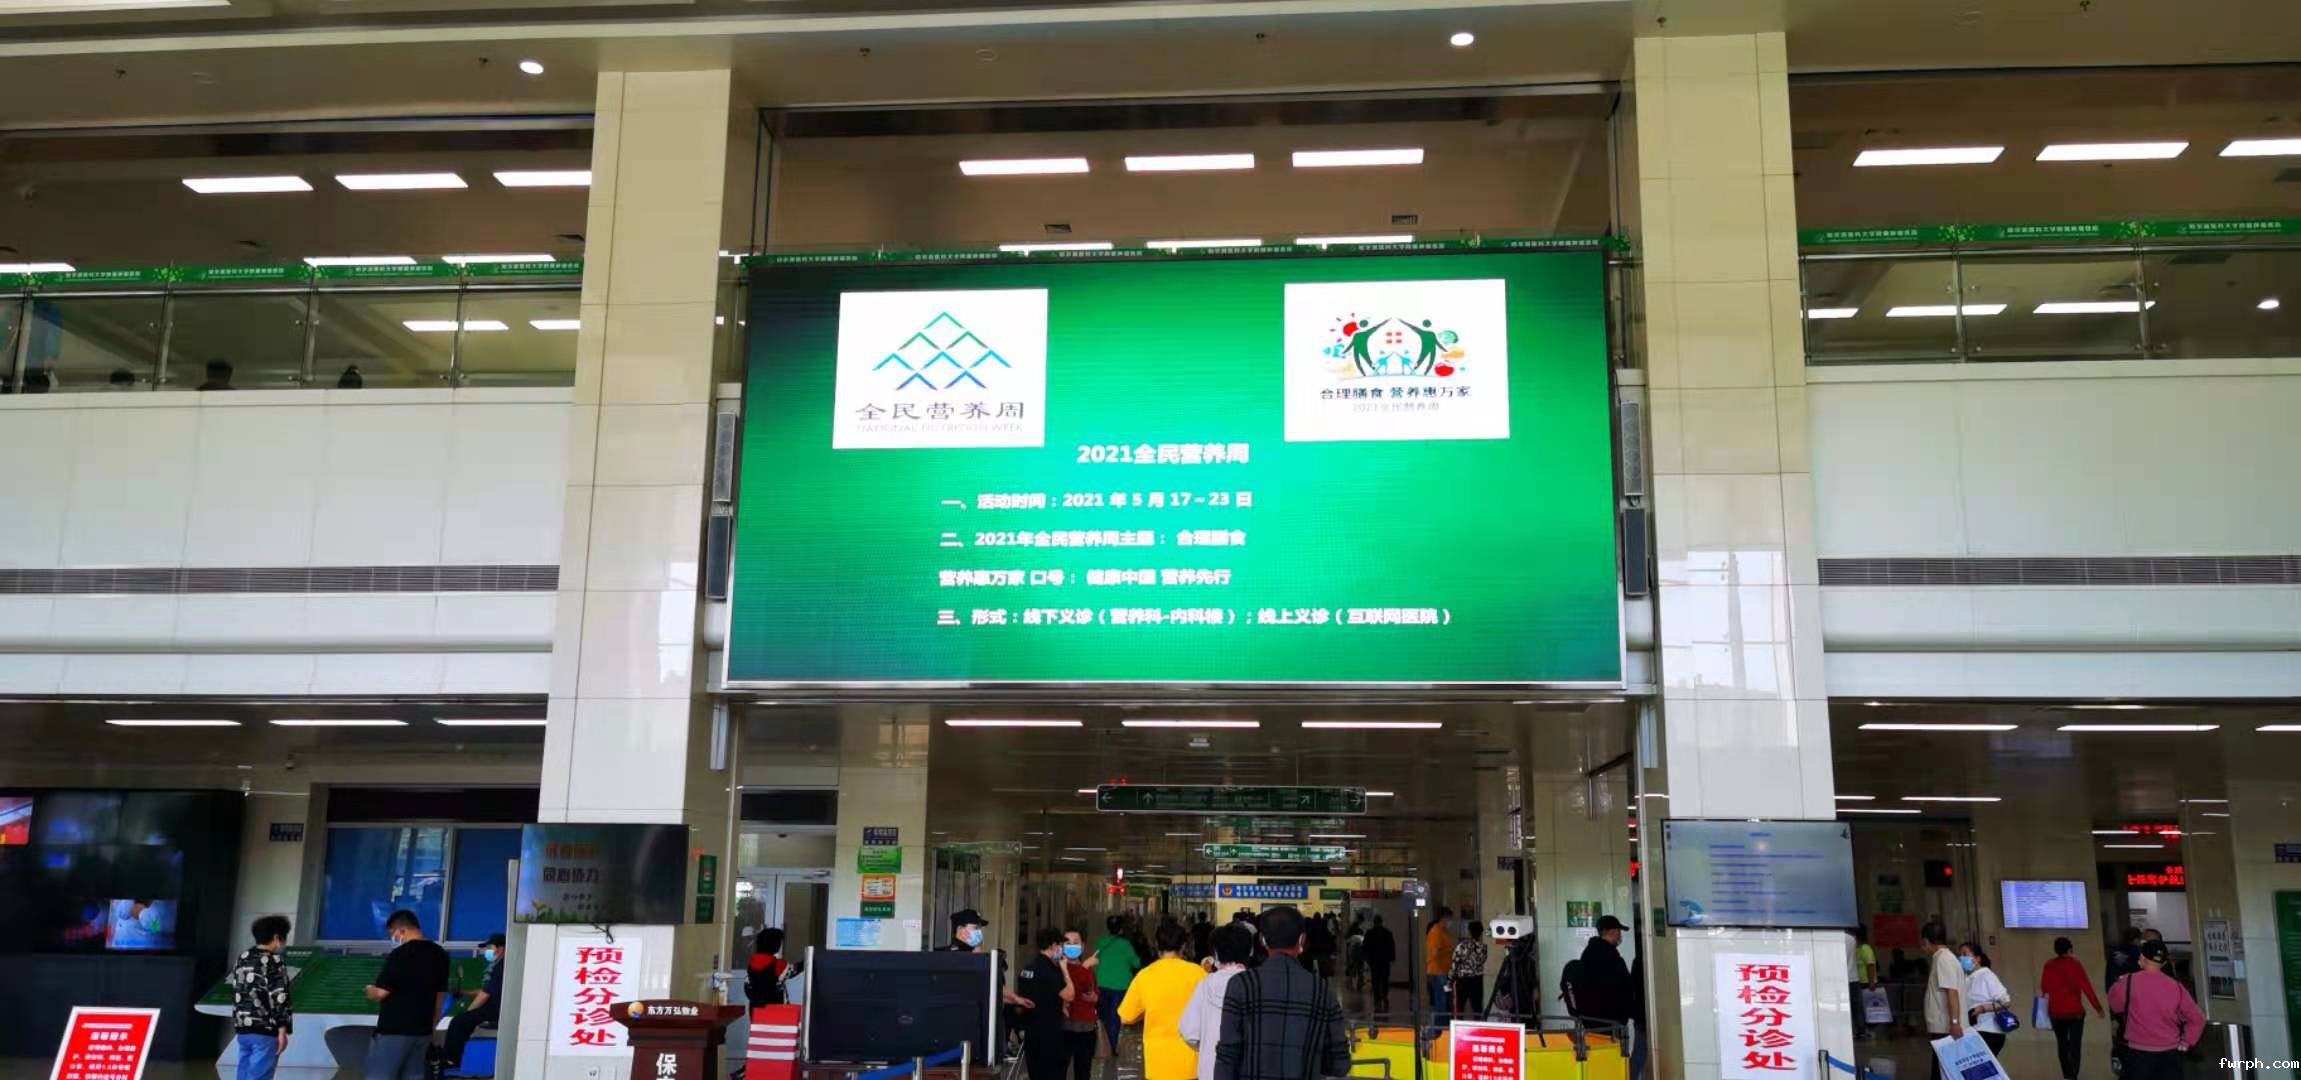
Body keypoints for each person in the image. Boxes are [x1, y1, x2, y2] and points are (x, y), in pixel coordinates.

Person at [1213, 907, 1350, 1080]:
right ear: (1302, 940)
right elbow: (1340, 1065)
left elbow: (1227, 1056)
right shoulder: (1322, 991)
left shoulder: (1241, 985)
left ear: (1262, 940)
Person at [362, 909, 450, 1080]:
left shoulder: (399, 954)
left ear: (402, 930)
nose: (393, 938)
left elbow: (381, 993)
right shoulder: (441, 954)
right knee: (414, 1075)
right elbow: (440, 994)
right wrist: (432, 1025)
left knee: (380, 1075)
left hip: (394, 1030)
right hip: (423, 1030)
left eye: (392, 934)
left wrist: (369, 990)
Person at [1120, 921, 1209, 1080]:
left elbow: (1126, 1018)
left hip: (1157, 1063)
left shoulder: (1145, 975)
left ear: (1156, 945)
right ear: (1183, 946)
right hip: (1190, 1062)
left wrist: (1147, 1012)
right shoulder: (1198, 974)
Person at [2109, 940, 2204, 1080]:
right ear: (2164, 963)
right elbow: (2197, 1018)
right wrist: (2186, 1041)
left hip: (2138, 1055)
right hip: (2170, 1056)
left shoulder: (2127, 982)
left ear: (2141, 958)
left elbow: (2115, 1005)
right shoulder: (2176, 987)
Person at [1180, 923, 1255, 1080]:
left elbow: (1188, 1031)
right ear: (1250, 951)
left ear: (1215, 953)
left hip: (1210, 1071)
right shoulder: (1255, 985)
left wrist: (1207, 1046)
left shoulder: (1205, 985)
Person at [229, 914, 294, 1080]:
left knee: (244, 1072)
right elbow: (279, 996)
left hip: (243, 1027)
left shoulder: (243, 957)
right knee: (260, 1075)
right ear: (276, 937)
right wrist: (282, 1029)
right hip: (265, 1028)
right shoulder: (274, 960)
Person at [2040, 936, 2106, 1080]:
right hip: (2075, 1012)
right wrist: (2098, 1008)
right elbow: (2086, 987)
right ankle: (2074, 1074)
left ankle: (2067, 1075)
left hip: (2056, 1012)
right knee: (2075, 1044)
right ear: (2070, 949)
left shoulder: (2048, 965)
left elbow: (2044, 988)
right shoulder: (2075, 964)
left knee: (2062, 1044)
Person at [1018, 927, 1080, 1080]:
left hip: (1031, 1032)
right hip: (1050, 1034)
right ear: (1053, 946)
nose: (1062, 949)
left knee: (1036, 1074)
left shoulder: (1028, 967)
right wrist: (1065, 970)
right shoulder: (1050, 970)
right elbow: (1070, 995)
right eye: (1061, 945)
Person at [444, 932, 505, 1070]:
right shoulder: (500, 966)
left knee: (458, 1021)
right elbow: (486, 989)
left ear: (500, 949)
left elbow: (485, 994)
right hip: (495, 1007)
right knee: (463, 1020)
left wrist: (468, 1011)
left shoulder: (501, 967)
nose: (487, 951)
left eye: (490, 947)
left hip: (495, 1010)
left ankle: (451, 1060)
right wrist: (464, 993)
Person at [1573, 916, 1634, 1036]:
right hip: (1611, 1022)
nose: (1619, 935)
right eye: (1617, 930)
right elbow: (1624, 987)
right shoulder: (1611, 956)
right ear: (1608, 931)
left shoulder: (1588, 953)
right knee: (1612, 1048)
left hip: (1591, 1021)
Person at [1093, 914, 1145, 1053]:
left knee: (1103, 1016)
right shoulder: (1126, 945)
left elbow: (1095, 961)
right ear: (1121, 929)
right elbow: (1136, 963)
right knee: (1114, 1017)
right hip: (1119, 986)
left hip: (1101, 983)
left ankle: (1102, 1044)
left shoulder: (1100, 942)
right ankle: (1112, 1047)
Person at [1920, 922, 1965, 1080]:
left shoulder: (1943, 959)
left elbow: (1952, 993)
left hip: (1946, 1028)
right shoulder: (1943, 958)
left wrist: (1954, 1023)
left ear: (1926, 941)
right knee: (1941, 1070)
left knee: (1942, 1071)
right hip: (1943, 1027)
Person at [1958, 943, 2013, 1056]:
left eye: (1965, 954)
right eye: (1960, 955)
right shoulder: (1966, 979)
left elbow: (2006, 1002)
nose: (1961, 958)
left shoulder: (1986, 975)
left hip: (1989, 1031)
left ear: (1978, 958)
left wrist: (1983, 1008)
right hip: (1973, 1031)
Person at [1059, 931, 1100, 1080]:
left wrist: (1094, 997)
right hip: (1064, 1028)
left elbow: (1094, 992)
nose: (1072, 946)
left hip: (1086, 1027)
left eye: (1075, 942)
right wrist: (1085, 966)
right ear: (1061, 946)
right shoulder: (1059, 967)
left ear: (1082, 946)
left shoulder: (1087, 969)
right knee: (1059, 1071)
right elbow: (1071, 991)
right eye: (1067, 943)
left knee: (1083, 1072)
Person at [1423, 906, 1456, 1029]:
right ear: (1444, 918)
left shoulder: (1444, 931)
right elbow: (1435, 953)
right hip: (1437, 972)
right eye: (1450, 918)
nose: (1451, 921)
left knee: (1446, 999)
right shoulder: (1435, 931)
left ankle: (1444, 1024)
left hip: (1445, 971)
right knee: (1440, 1000)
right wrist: (1449, 950)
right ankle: (1439, 1027)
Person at [1450, 921, 1489, 1021]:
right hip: (1477, 979)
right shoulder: (1483, 948)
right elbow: (1482, 961)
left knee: (1459, 1007)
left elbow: (1455, 962)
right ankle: (1479, 1026)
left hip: (1463, 979)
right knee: (1477, 1007)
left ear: (1469, 932)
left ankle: (1458, 1026)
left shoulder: (1461, 946)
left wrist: (1450, 979)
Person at [746, 927, 792, 1006]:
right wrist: (809, 958)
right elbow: (794, 970)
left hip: (756, 1009)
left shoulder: (752, 964)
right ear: (775, 944)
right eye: (779, 942)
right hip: (775, 1009)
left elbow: (747, 987)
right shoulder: (779, 965)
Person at [1362, 914, 1396, 1014]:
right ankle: (1385, 995)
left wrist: (1365, 957)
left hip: (1374, 960)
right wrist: (1392, 957)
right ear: (1381, 922)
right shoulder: (1387, 933)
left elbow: (1365, 946)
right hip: (1384, 960)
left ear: (1374, 922)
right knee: (1385, 979)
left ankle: (1377, 998)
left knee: (1375, 979)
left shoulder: (1369, 933)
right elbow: (1391, 946)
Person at [1851, 926, 1878, 1040]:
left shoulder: (1865, 948)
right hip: (1859, 982)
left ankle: (1866, 1030)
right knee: (1860, 1008)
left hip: (1866, 983)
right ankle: (1861, 1030)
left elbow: (1870, 965)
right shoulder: (1856, 949)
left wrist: (1871, 982)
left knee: (1865, 1008)